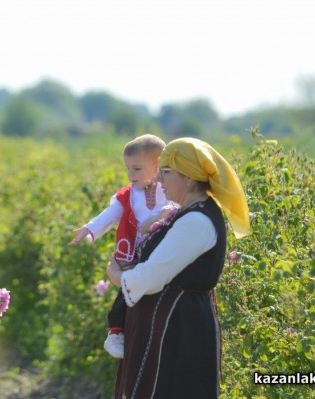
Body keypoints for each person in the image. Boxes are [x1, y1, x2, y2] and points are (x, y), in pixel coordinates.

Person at [106, 137, 250, 398]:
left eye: (167, 172)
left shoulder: (196, 220)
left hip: (178, 327)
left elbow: (152, 277)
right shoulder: (185, 212)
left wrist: (117, 276)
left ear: (190, 178)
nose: (159, 180)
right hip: (165, 323)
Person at [70, 134, 177, 359]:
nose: (131, 175)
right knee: (125, 293)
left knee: (154, 294)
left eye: (137, 169)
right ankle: (116, 333)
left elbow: (179, 209)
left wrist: (167, 214)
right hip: (135, 254)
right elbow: (111, 214)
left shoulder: (170, 189)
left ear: (158, 164)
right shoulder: (129, 194)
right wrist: (89, 229)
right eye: (128, 168)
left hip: (162, 253)